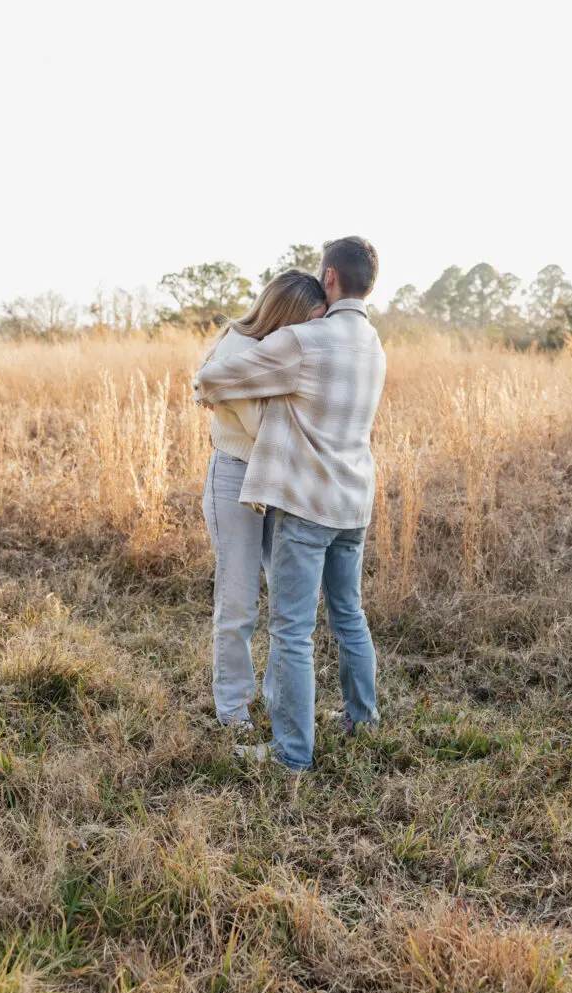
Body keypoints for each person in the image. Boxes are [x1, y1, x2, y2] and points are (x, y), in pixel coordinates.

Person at [194, 237, 386, 771]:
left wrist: (213, 385)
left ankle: (291, 755)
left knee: (292, 631)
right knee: (349, 614)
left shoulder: (306, 341)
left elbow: (212, 378)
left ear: (329, 277)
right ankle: (361, 720)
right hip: (354, 504)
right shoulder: (374, 343)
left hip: (305, 503)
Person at [201, 270, 327, 732]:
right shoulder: (239, 348)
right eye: (312, 320)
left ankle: (279, 703)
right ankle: (233, 716)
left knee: (289, 600)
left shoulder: (286, 349)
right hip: (236, 476)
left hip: (276, 479)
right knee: (237, 607)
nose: (317, 331)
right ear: (288, 314)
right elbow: (260, 429)